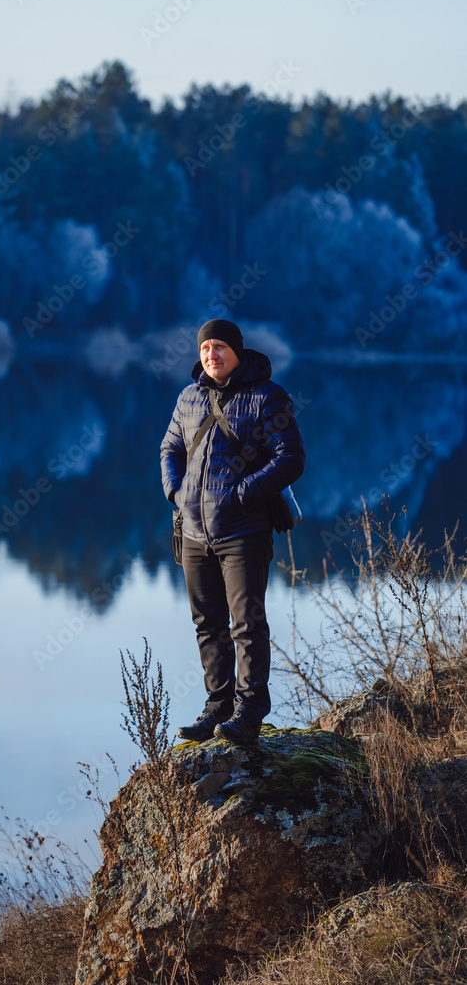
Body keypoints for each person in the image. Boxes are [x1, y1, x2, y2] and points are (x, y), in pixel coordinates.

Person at [160, 319, 305, 745]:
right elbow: (169, 448)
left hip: (244, 532)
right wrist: (176, 490)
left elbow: (291, 458)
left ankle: (249, 713)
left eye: (219, 347)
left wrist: (243, 492)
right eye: (205, 349)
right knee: (207, 625)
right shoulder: (189, 397)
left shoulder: (268, 397)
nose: (211, 356)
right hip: (193, 534)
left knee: (246, 624)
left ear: (238, 351)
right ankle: (217, 709)